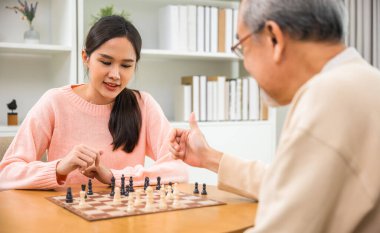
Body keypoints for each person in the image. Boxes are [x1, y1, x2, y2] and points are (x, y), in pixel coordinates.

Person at [169, 0, 380, 232]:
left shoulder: (330, 96)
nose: (246, 65)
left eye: (243, 47)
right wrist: (208, 157)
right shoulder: (364, 81)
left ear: (274, 38)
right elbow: (289, 185)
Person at [0, 15, 188, 190]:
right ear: (86, 58)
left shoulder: (143, 105)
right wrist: (59, 168)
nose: (115, 75)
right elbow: (6, 173)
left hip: (125, 221)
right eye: (106, 62)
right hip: (63, 219)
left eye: (126, 65)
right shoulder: (55, 102)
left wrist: (112, 177)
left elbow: (178, 170)